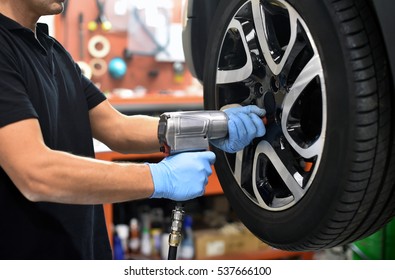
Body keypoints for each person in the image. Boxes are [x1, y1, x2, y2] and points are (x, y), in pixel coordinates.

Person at [0, 0, 266, 259]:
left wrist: (211, 126)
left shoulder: (53, 51)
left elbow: (117, 128)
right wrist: (158, 178)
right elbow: (35, 172)